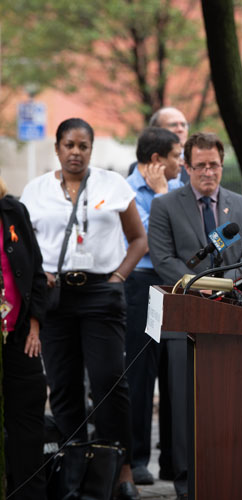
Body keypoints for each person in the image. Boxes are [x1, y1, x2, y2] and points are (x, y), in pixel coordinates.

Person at [21, 117, 147, 500]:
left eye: (83, 146)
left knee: (109, 380)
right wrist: (38, 275)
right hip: (55, 296)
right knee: (63, 384)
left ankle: (120, 468)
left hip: (100, 293)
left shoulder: (113, 185)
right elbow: (24, 245)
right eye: (69, 145)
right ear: (57, 148)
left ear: (91, 149)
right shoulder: (36, 191)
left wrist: (118, 278)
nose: (76, 152)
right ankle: (73, 467)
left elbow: (138, 240)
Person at [148, 131, 242, 500]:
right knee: (185, 403)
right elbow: (163, 259)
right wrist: (199, 285)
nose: (208, 172)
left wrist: (224, 287)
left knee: (233, 400)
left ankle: (233, 474)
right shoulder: (164, 205)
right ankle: (187, 481)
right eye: (200, 166)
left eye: (214, 165)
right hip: (185, 318)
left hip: (233, 320)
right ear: (186, 166)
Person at [124, 127, 183, 486]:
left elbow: (185, 241)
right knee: (140, 374)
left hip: (175, 284)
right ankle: (137, 457)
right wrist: (162, 198)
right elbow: (152, 243)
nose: (182, 163)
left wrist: (165, 195)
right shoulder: (126, 191)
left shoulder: (179, 190)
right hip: (140, 285)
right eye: (177, 156)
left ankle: (174, 461)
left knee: (174, 372)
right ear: (158, 160)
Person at [0, 177, 48, 499]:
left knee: (29, 422)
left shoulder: (14, 211)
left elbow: (36, 272)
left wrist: (34, 324)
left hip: (19, 335)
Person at [128, 107, 189, 183]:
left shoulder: (197, 166)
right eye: (173, 125)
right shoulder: (138, 168)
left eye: (184, 125)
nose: (180, 129)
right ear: (156, 129)